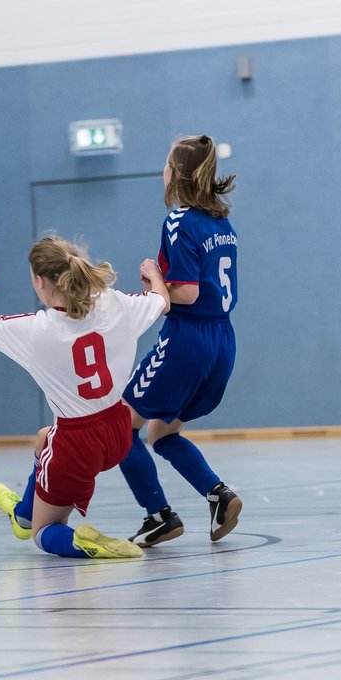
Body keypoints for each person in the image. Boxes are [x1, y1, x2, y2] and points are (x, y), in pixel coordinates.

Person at [0, 236, 169, 559]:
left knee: (44, 532)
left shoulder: (38, 331)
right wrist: (155, 276)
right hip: (119, 431)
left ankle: (80, 541)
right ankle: (22, 515)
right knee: (43, 439)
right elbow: (162, 301)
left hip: (77, 444)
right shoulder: (115, 304)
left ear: (39, 282)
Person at [118, 135, 242, 547]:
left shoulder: (179, 219)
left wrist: (155, 278)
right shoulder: (222, 223)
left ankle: (159, 516)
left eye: (166, 163)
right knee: (161, 434)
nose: (162, 170)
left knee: (120, 428)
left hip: (187, 340)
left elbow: (185, 293)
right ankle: (218, 495)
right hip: (222, 340)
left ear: (177, 172)